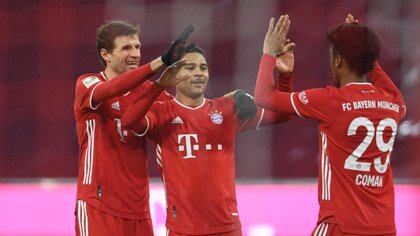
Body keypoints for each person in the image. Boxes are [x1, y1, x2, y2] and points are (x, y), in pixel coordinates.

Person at [254, 14, 406, 236]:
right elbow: (380, 77)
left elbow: (263, 96)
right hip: (384, 228)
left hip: (339, 226)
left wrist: (269, 54)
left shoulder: (330, 101)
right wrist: (361, 45)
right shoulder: (393, 103)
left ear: (338, 61)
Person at [121, 44, 292, 236]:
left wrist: (284, 76)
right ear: (175, 73)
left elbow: (282, 114)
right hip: (182, 230)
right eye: (190, 67)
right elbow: (128, 122)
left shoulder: (226, 110)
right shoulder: (161, 112)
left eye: (203, 68)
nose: (199, 73)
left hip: (228, 228)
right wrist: (158, 86)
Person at [73, 20, 193, 236]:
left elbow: (186, 117)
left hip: (139, 211)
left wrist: (223, 110)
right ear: (105, 54)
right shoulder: (88, 84)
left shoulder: (151, 90)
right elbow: (113, 88)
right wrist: (160, 62)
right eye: (126, 48)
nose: (135, 53)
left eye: (137, 47)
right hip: (98, 204)